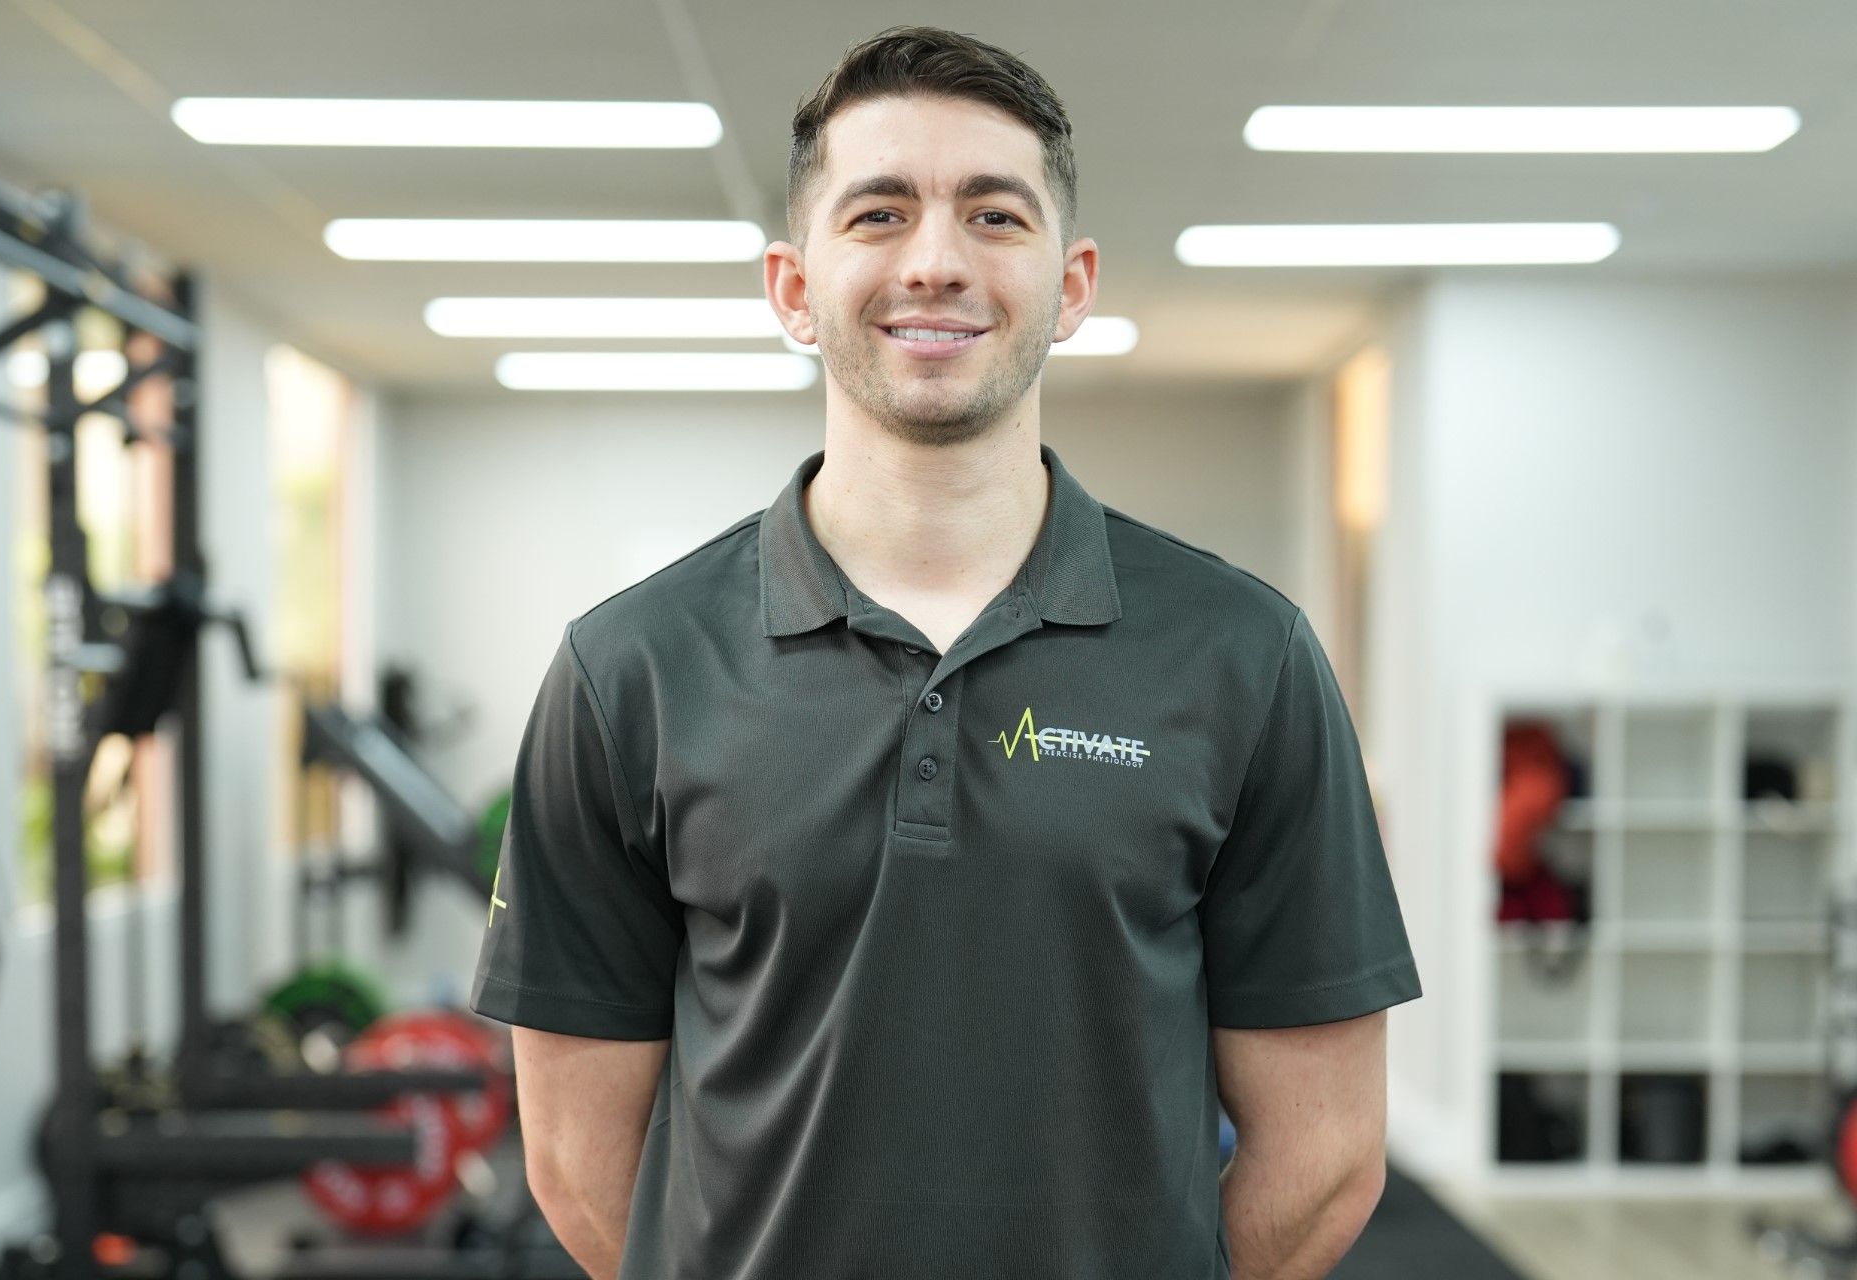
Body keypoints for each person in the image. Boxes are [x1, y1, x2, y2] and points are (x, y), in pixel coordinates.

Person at [470, 24, 1422, 1280]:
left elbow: (1326, 1152)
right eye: (878, 214)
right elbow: (578, 1161)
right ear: (793, 288)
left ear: (1071, 284)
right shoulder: (627, 669)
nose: (935, 261)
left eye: (993, 215)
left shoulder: (1247, 658)